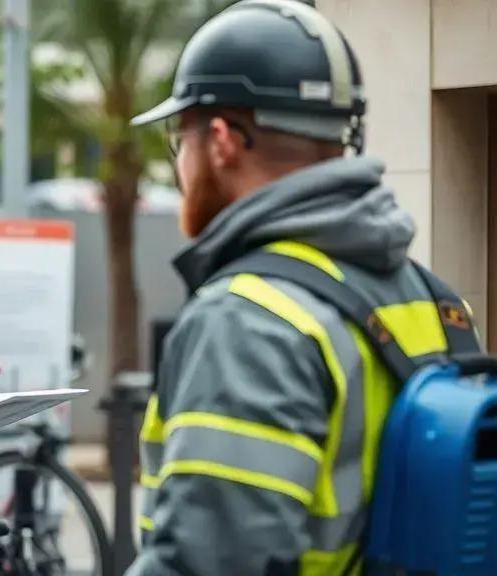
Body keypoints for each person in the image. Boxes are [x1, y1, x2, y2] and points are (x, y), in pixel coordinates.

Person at [126, 1, 480, 575]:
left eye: (179, 139)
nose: (180, 166)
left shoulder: (246, 321)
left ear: (221, 141)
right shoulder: (437, 303)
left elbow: (210, 562)